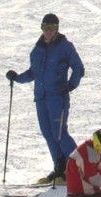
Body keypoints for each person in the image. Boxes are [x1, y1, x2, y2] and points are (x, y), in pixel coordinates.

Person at [6, 13, 85, 184]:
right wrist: (17, 77)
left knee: (60, 133)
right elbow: (33, 73)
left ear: (57, 29)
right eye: (45, 27)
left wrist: (70, 85)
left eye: (52, 28)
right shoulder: (37, 49)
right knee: (48, 133)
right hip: (41, 98)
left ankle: (79, 169)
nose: (48, 31)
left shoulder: (65, 47)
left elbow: (78, 68)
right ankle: (60, 168)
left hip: (58, 98)